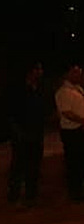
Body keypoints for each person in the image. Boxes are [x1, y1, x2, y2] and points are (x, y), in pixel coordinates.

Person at [5, 60, 46, 207]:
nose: (40, 72)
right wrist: (18, 132)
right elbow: (11, 113)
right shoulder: (18, 90)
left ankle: (31, 194)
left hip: (36, 133)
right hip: (22, 134)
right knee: (19, 165)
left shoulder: (39, 90)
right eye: (37, 69)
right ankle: (14, 194)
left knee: (34, 165)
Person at [55, 62, 84, 201]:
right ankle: (75, 193)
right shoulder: (63, 92)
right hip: (72, 132)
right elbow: (66, 112)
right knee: (74, 163)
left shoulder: (79, 89)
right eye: (75, 72)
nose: (79, 75)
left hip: (82, 131)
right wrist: (83, 121)